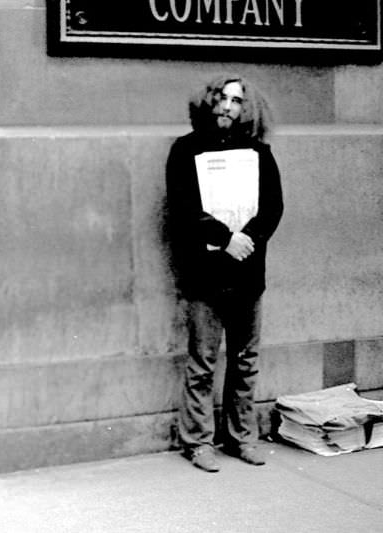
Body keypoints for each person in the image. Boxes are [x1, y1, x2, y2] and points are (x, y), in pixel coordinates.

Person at [166, 74, 284, 473]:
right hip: (206, 272)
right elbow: (182, 208)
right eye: (221, 97)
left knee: (245, 359)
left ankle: (241, 438)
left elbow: (272, 207)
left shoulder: (258, 153)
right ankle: (198, 442)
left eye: (236, 101)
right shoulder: (185, 150)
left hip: (248, 270)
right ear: (208, 101)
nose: (227, 106)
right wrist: (224, 237)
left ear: (246, 109)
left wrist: (246, 238)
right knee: (203, 361)